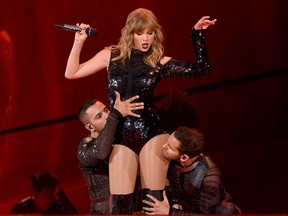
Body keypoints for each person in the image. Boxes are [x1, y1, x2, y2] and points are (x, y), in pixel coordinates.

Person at [64, 8, 216, 214]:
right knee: (120, 208)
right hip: (120, 136)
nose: (145, 38)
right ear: (130, 33)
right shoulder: (110, 55)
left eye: (150, 32)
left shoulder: (158, 62)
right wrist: (79, 41)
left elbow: (202, 68)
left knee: (153, 204)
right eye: (140, 33)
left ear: (156, 33)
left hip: (151, 132)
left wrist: (197, 34)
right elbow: (71, 73)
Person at [142, 126, 241, 214]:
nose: (164, 146)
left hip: (211, 212)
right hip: (183, 208)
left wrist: (170, 212)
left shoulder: (210, 176)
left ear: (183, 157)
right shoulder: (175, 160)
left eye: (169, 147)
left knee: (225, 211)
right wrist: (175, 202)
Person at [77, 92, 144, 214]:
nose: (107, 115)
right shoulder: (85, 146)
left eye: (106, 110)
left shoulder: (122, 136)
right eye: (99, 116)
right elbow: (100, 153)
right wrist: (115, 114)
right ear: (90, 127)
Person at [10, 171, 78, 215]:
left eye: (51, 195)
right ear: (36, 195)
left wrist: (60, 193)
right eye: (45, 195)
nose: (49, 200)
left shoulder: (55, 207)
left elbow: (73, 214)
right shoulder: (21, 208)